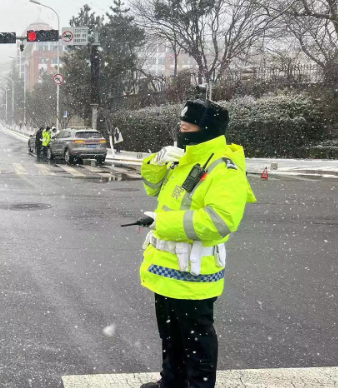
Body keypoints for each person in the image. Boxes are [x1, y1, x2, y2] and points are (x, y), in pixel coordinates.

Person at [137, 100, 256, 388]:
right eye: (182, 122)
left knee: (196, 343)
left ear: (208, 127)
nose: (182, 127)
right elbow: (153, 187)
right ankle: (171, 382)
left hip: (193, 274)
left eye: (188, 123)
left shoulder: (224, 167)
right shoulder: (186, 157)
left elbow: (220, 221)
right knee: (170, 336)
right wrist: (157, 161)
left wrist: (162, 223)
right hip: (165, 270)